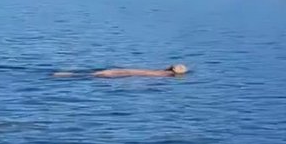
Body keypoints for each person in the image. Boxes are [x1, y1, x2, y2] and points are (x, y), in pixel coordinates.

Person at [52, 64, 189, 78]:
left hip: (122, 71)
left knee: (90, 74)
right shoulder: (165, 74)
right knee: (91, 75)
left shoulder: (163, 72)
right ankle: (64, 75)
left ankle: (64, 74)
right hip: (124, 73)